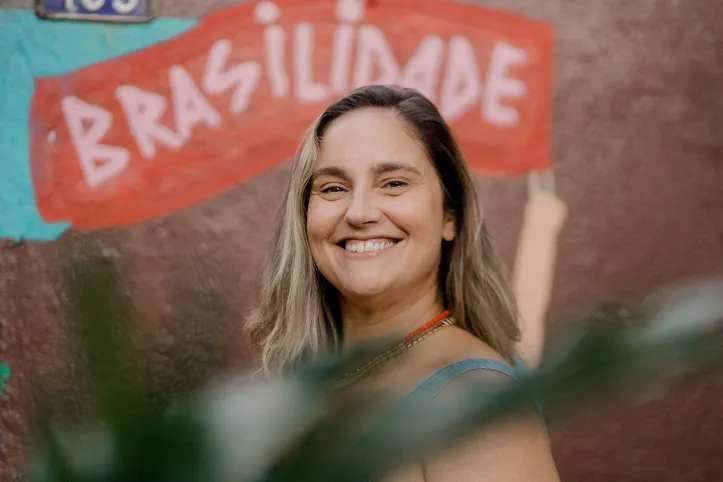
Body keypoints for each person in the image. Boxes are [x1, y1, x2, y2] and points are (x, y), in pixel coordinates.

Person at [246, 85, 560, 480]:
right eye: (333, 188)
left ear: (451, 216)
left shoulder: (472, 404)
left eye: (393, 183)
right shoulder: (304, 388)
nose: (359, 212)